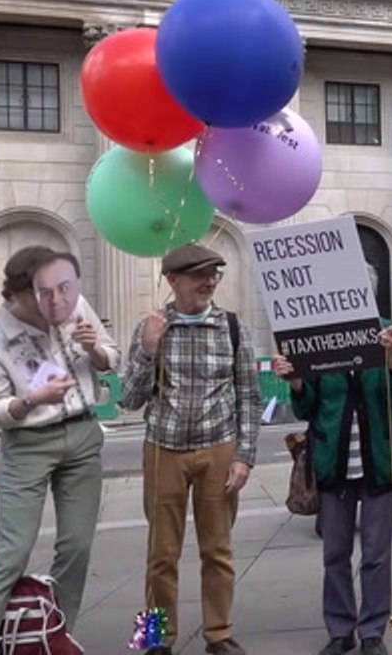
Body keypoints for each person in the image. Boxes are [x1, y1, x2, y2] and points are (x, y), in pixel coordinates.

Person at [0, 247, 119, 652]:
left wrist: (94, 349)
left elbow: (111, 358)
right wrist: (33, 398)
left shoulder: (74, 306)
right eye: (43, 296)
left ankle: (56, 636)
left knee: (77, 545)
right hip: (28, 443)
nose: (55, 304)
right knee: (14, 550)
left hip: (83, 434)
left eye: (60, 292)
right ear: (18, 294)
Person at [121, 243, 261, 655]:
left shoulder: (232, 327)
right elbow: (128, 400)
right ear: (172, 280)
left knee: (217, 550)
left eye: (213, 274)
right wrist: (148, 349)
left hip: (218, 448)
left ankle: (218, 633)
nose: (209, 282)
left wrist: (244, 455)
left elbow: (249, 397)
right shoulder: (152, 326)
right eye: (199, 275)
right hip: (163, 449)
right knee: (160, 554)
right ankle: (155, 637)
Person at [274, 265, 392, 655]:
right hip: (333, 462)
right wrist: (294, 381)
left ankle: (374, 631)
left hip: (381, 460)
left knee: (376, 554)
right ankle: (341, 630)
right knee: (335, 553)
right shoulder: (319, 338)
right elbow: (308, 405)